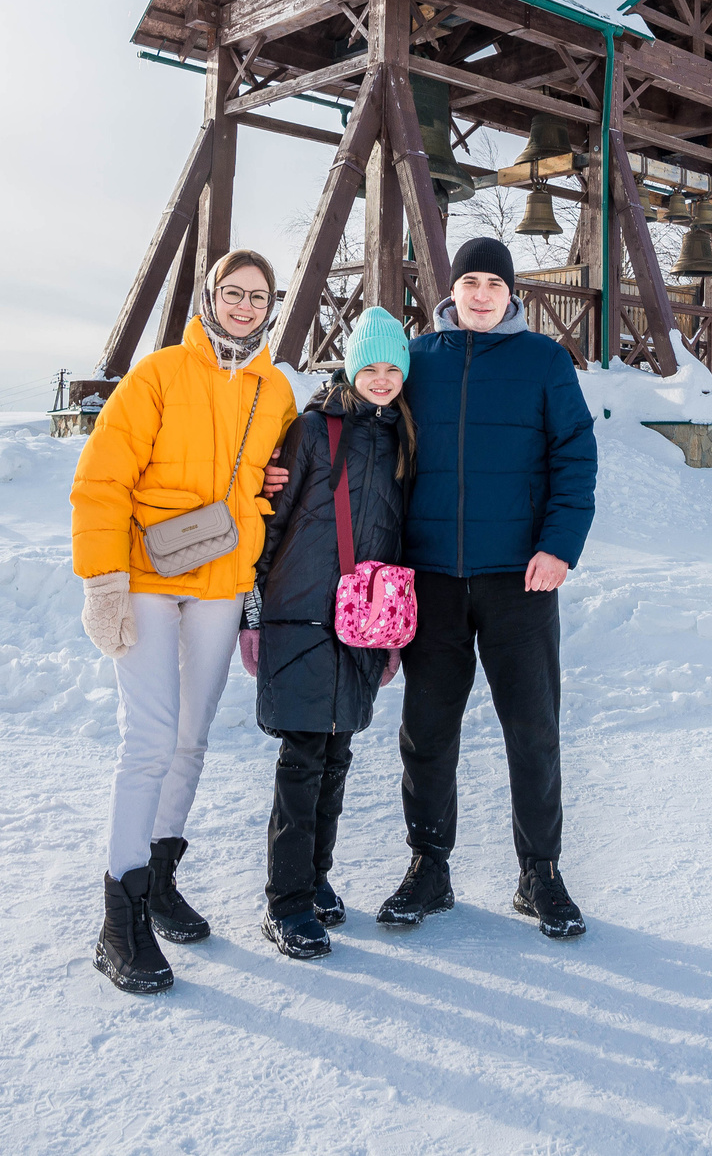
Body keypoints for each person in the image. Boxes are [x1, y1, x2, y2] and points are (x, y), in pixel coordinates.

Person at [70, 250, 298, 994]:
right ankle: (119, 912)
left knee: (193, 738)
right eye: (231, 291)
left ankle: (159, 874)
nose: (242, 304)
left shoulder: (275, 392)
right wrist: (102, 581)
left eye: (256, 295)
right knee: (150, 737)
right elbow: (102, 477)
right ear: (209, 296)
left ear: (272, 305)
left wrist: (269, 487)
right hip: (145, 574)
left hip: (221, 582)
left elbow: (276, 484)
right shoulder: (161, 373)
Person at [381, 237, 598, 939]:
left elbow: (575, 455)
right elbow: (367, 419)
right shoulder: (420, 358)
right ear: (453, 289)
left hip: (520, 579)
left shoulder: (544, 361)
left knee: (532, 727)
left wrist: (559, 546)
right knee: (427, 729)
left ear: (512, 293)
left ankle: (540, 873)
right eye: (469, 281)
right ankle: (428, 866)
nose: (480, 294)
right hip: (434, 575)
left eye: (493, 284)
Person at [246, 308, 413, 961]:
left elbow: (397, 539)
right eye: (369, 366)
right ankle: (284, 902)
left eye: (391, 368)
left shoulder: (402, 439)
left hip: (364, 624)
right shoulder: (314, 430)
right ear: (349, 367)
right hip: (301, 613)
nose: (380, 378)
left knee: (337, 758)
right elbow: (271, 518)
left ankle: (315, 878)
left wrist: (394, 631)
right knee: (303, 760)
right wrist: (253, 611)